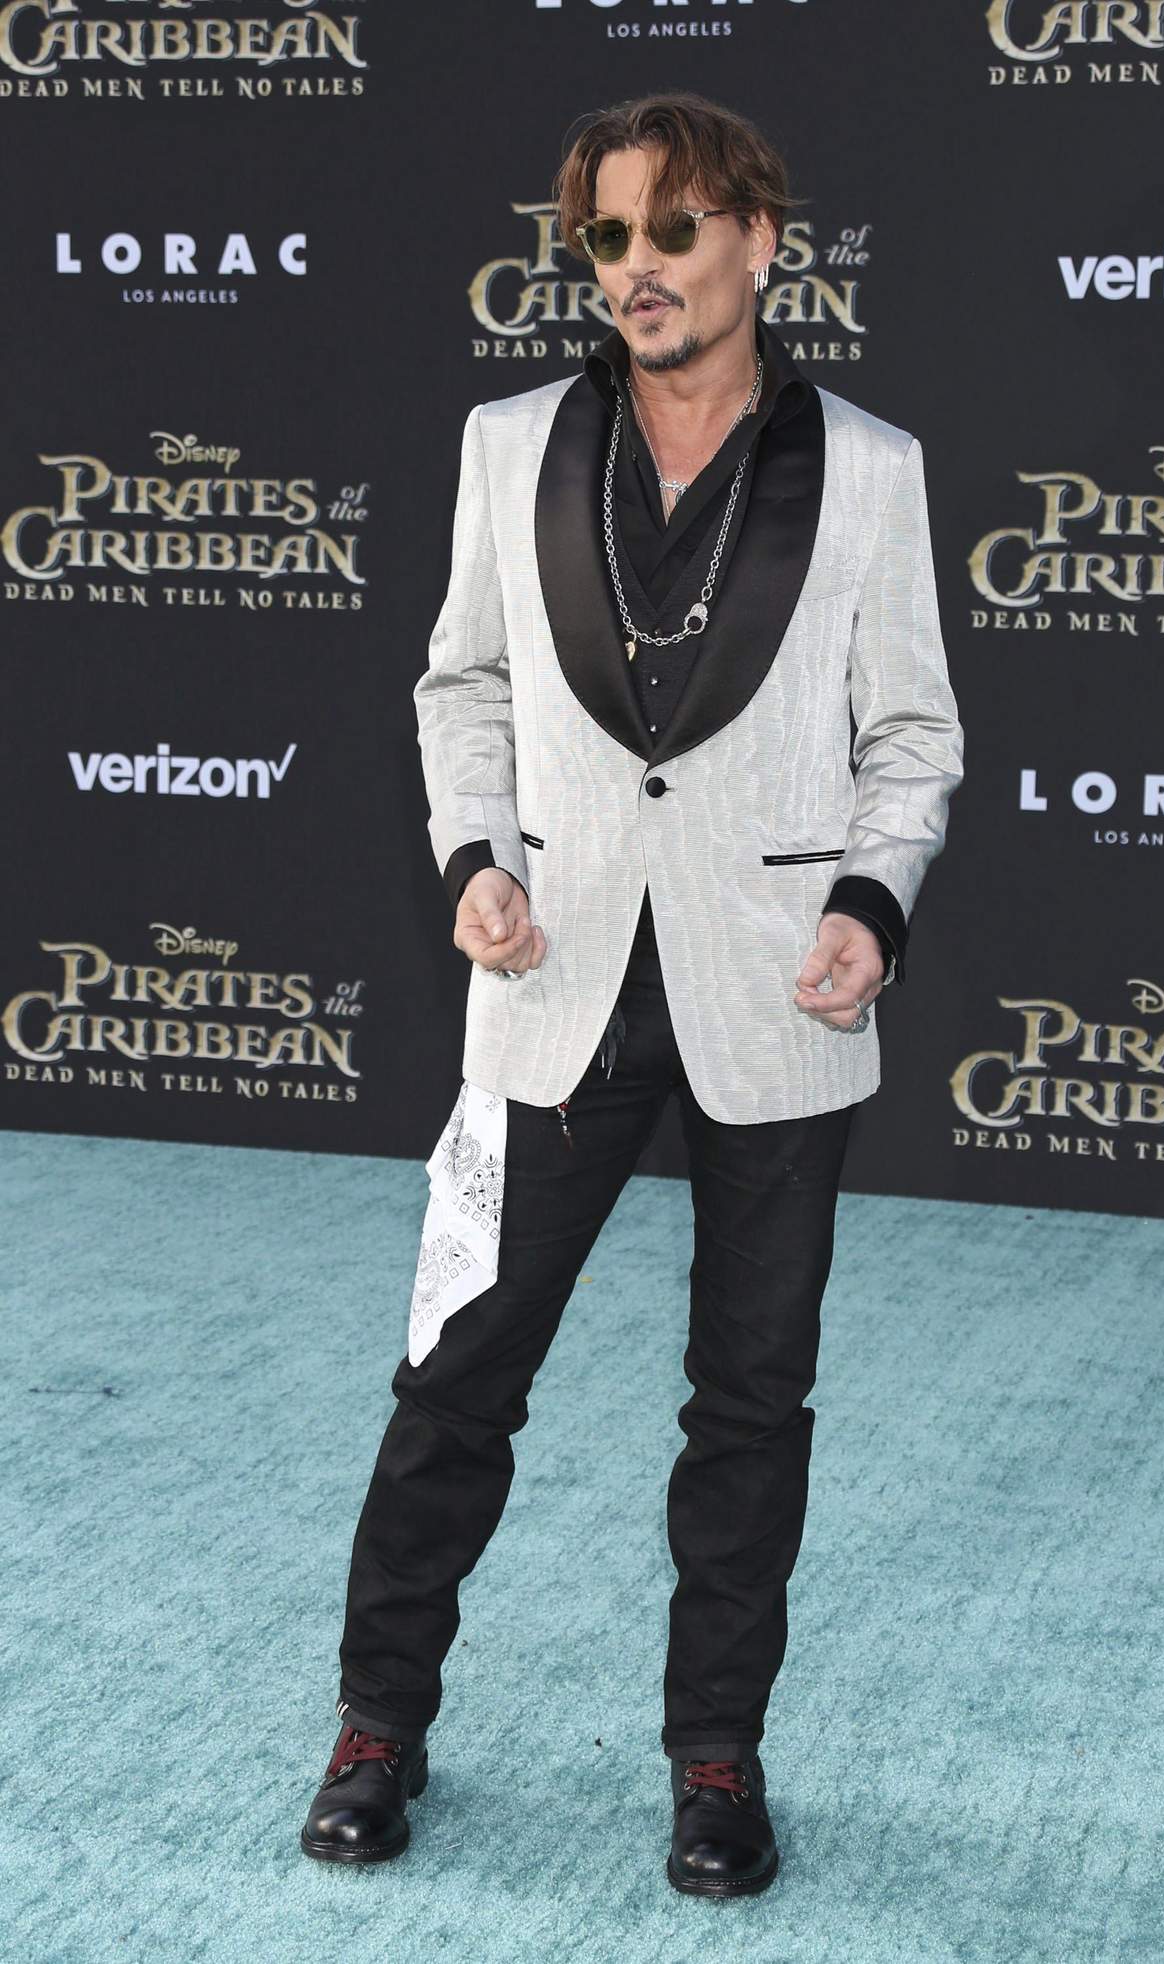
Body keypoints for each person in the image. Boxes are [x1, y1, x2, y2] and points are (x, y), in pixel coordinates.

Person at [301, 90, 964, 1898]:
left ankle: (716, 1760)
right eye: (608, 236)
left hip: (781, 991)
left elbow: (912, 736)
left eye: (675, 229)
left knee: (751, 1406)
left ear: (761, 241)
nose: (639, 267)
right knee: (457, 1377)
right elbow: (461, 687)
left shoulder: (870, 470)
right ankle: (376, 1725)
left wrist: (871, 904)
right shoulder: (510, 442)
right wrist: (474, 856)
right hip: (553, 978)